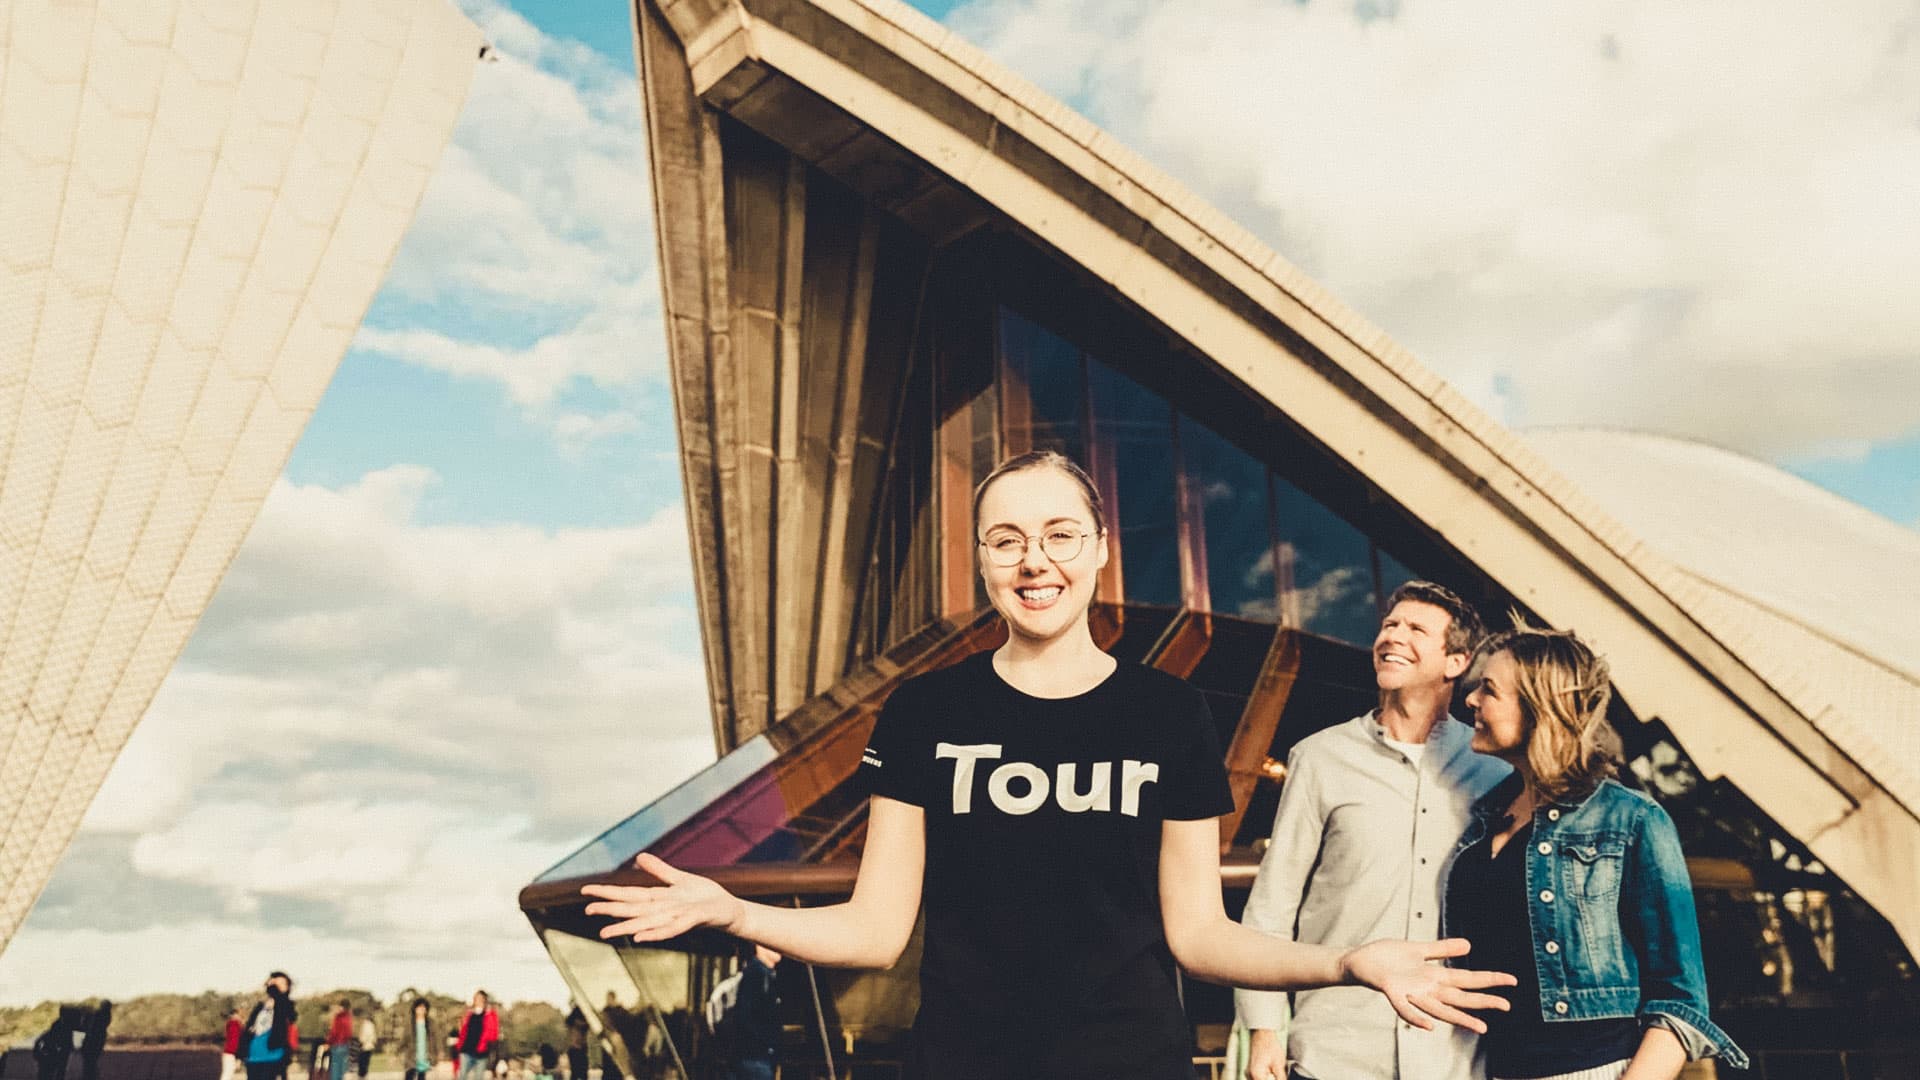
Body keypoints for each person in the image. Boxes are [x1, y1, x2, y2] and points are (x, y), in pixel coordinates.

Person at [583, 452, 1514, 1080]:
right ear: (982, 560)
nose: (1036, 560)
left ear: (1100, 550)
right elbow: (876, 927)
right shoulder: (924, 711)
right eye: (1006, 539)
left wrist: (1345, 960)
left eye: (1061, 534)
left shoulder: (1170, 712)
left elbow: (1197, 933)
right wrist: (737, 909)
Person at [1445, 625, 1749, 1080]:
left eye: (1488, 689)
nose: (1471, 700)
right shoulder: (1481, 823)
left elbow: (1681, 1001)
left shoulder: (1632, 820)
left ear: (1539, 706)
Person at [1237, 581, 1512, 1080]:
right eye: (1389, 626)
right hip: (1334, 1054)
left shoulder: (1493, 770)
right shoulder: (1319, 758)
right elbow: (1273, 905)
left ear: (1456, 662)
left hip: (1455, 1055)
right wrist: (1263, 1031)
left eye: (1415, 629)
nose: (1392, 637)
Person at [715, 945, 780, 1080]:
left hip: (752, 1056)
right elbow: (746, 1015)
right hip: (754, 1057)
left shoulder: (763, 974)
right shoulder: (757, 974)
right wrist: (765, 1043)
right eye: (772, 946)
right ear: (760, 947)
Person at [241, 972, 300, 1080]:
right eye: (275, 982)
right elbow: (249, 1029)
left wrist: (274, 990)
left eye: (282, 983)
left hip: (272, 1055)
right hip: (253, 1055)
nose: (277, 986)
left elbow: (289, 1017)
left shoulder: (286, 1005)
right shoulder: (260, 1007)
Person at [455, 992, 500, 1080]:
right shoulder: (469, 1015)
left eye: (480, 999)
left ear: (485, 1001)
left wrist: (490, 1014)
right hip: (466, 1051)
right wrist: (459, 1046)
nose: (478, 1001)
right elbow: (463, 1031)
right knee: (462, 1076)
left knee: (478, 1077)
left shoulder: (490, 1015)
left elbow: (493, 1035)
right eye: (476, 998)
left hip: (481, 1054)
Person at [31, 1014, 71, 1080]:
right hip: (50, 1058)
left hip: (46, 1058)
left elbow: (37, 1042)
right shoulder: (56, 1035)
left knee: (44, 1075)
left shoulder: (49, 1034)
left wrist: (37, 1053)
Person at [404, 999, 435, 1080]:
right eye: (419, 1007)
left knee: (421, 1077)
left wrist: (435, 1054)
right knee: (409, 1077)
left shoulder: (430, 1023)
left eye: (424, 1007)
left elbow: (434, 1039)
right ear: (415, 1009)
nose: (422, 1009)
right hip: (412, 1056)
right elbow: (404, 1039)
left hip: (424, 1056)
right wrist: (396, 1052)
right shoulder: (409, 1022)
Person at [79, 1001, 110, 1080]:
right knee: (91, 1062)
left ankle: (89, 1076)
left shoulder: (97, 1015)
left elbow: (85, 1026)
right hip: (97, 1039)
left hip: (92, 1039)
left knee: (89, 1062)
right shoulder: (105, 1015)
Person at [326, 1001, 355, 1080]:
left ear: (341, 1007)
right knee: (342, 1071)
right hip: (345, 1046)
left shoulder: (338, 1017)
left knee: (335, 1069)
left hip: (336, 1045)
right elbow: (350, 1033)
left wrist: (328, 1042)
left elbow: (334, 1032)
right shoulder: (349, 1018)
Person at [562, 1006, 589, 1080]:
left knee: (576, 1073)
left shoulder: (572, 1022)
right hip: (578, 1048)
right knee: (581, 1073)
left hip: (576, 1048)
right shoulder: (582, 1023)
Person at [222, 1007, 245, 1080]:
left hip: (230, 1053)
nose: (239, 1017)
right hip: (231, 1053)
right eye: (238, 1015)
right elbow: (237, 1042)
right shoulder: (234, 1025)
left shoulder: (232, 1024)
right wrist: (239, 1057)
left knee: (228, 1074)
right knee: (227, 1075)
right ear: (234, 1015)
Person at [355, 1010, 378, 1080]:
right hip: (369, 1047)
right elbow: (374, 1038)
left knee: (362, 1066)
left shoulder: (366, 1024)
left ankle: (361, 1078)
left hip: (364, 1047)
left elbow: (363, 1038)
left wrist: (361, 1043)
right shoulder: (372, 1025)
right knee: (365, 1066)